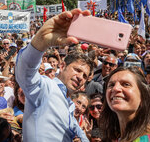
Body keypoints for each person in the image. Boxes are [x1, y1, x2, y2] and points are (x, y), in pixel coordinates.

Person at [15, 9, 93, 142]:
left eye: (85, 76)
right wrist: (41, 41)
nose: (80, 77)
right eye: (77, 70)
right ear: (62, 66)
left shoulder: (71, 105)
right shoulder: (46, 87)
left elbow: (80, 135)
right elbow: (25, 73)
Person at [99, 66, 150, 142]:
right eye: (111, 85)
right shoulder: (112, 137)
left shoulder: (146, 139)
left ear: (142, 97)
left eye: (126, 84)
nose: (115, 88)